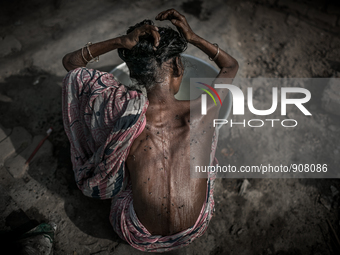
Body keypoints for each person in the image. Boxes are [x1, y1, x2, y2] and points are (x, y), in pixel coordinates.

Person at [62, 9, 238, 252]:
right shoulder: (205, 108)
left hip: (136, 232)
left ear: (133, 74)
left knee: (121, 154)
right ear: (178, 66)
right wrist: (193, 37)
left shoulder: (122, 112)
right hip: (194, 228)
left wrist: (119, 42)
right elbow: (230, 65)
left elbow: (72, 64)